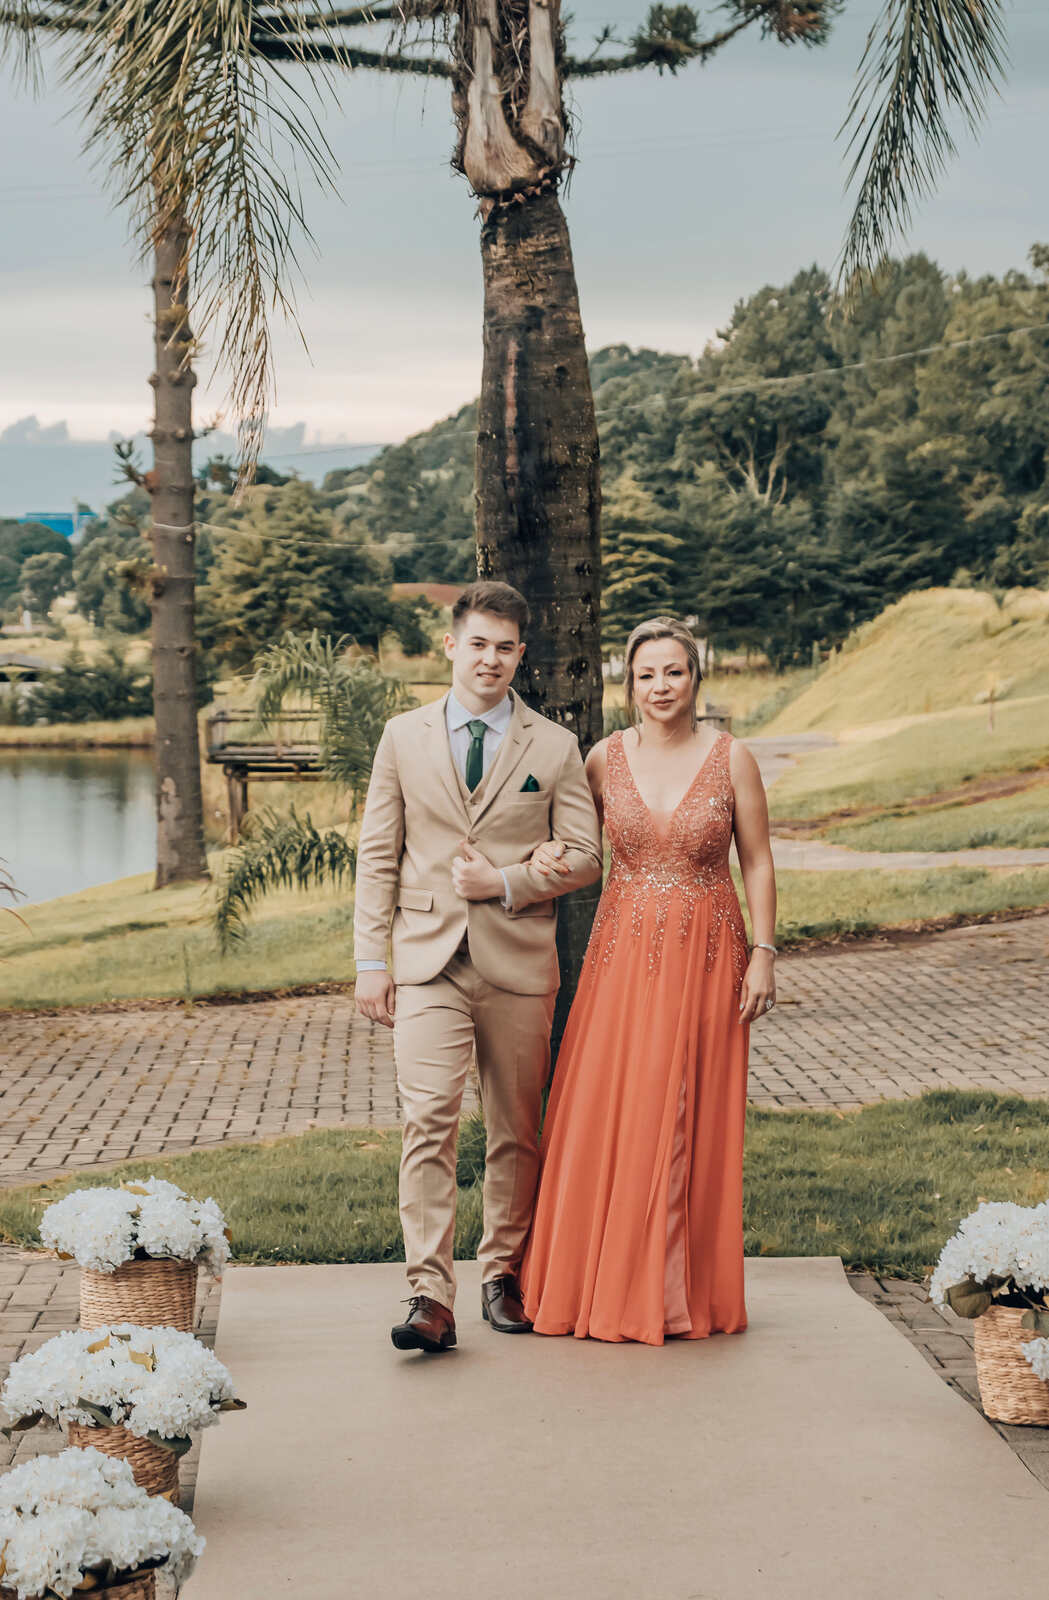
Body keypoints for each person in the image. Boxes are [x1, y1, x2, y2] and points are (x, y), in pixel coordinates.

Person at [353, 580, 603, 1354]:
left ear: (519, 654)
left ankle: (502, 1273)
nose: (489, 659)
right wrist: (371, 959)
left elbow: (588, 857)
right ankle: (429, 1294)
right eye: (477, 644)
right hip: (427, 962)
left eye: (504, 647)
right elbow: (377, 854)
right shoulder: (401, 736)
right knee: (425, 1121)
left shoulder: (554, 748)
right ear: (451, 646)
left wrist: (503, 881)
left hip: (519, 962)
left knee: (513, 1129)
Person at [520, 615, 777, 1345]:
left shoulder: (733, 759)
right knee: (612, 1103)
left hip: (707, 951)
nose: (660, 686)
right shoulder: (602, 758)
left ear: (694, 677)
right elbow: (573, 842)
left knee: (684, 1110)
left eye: (673, 671)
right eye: (645, 674)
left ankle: (673, 1292)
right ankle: (596, 1280)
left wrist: (763, 951)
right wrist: (538, 857)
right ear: (626, 683)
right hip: (620, 954)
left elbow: (755, 860)